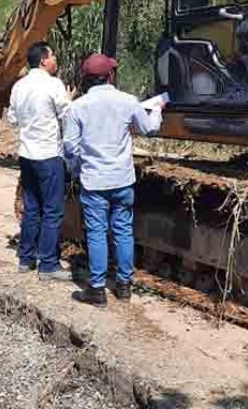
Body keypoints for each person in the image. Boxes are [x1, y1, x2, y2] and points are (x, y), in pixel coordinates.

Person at [63, 54, 163, 307]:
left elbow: (71, 148)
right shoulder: (128, 101)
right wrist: (158, 110)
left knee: (97, 233)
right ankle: (124, 286)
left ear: (87, 79)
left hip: (94, 181)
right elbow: (150, 129)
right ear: (110, 76)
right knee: (123, 231)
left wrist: (76, 170)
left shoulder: (77, 107)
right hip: (122, 180)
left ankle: (96, 290)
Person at [7, 41, 72, 281]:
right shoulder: (53, 84)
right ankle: (48, 265)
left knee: (32, 208)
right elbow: (67, 114)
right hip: (48, 155)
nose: (55, 59)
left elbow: (12, 119)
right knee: (52, 211)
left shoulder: (19, 86)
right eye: (53, 55)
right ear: (44, 60)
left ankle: (26, 259)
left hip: (27, 155)